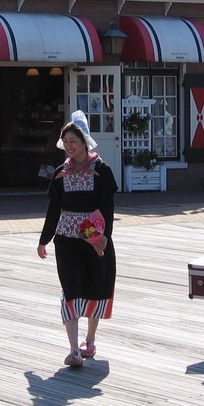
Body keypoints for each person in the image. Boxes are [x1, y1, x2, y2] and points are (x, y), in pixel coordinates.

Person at [37, 110, 117, 368]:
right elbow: (53, 208)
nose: (69, 145)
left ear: (85, 142)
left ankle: (90, 340)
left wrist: (104, 237)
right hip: (67, 239)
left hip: (93, 239)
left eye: (74, 140)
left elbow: (107, 206)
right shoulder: (61, 173)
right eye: (66, 141)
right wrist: (44, 239)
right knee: (70, 288)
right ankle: (74, 350)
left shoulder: (101, 170)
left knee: (96, 285)